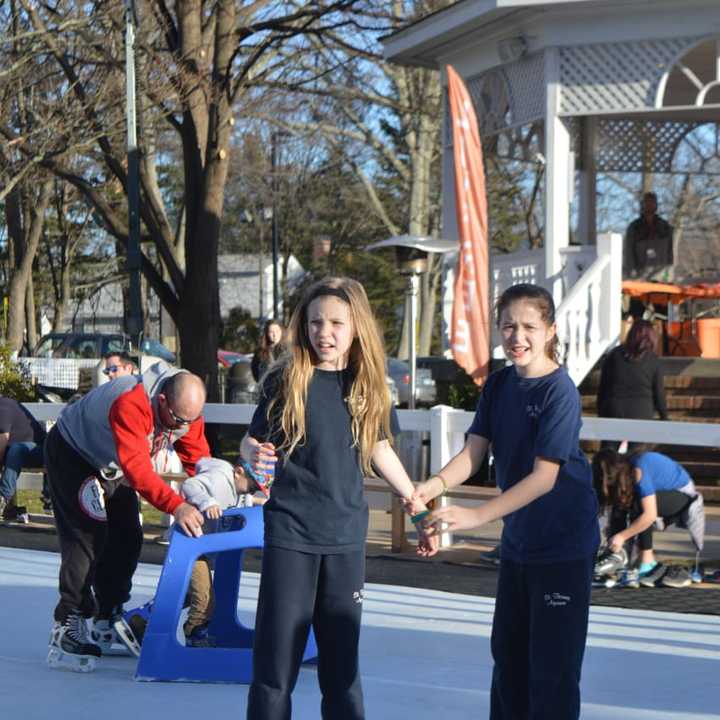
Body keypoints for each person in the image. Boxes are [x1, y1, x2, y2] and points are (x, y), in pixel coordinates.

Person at [241, 276, 435, 720]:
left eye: (334, 323)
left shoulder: (368, 388)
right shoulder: (285, 381)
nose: (323, 332)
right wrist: (254, 454)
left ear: (355, 328)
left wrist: (418, 506)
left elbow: (379, 448)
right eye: (314, 323)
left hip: (345, 539)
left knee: (342, 669)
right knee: (275, 665)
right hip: (291, 534)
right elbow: (251, 443)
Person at [413, 283, 599, 720]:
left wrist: (476, 515)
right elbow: (475, 452)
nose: (518, 336)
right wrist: (434, 485)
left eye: (529, 326)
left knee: (552, 671)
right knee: (509, 662)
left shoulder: (560, 392)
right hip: (519, 546)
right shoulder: (498, 385)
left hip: (563, 547)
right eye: (508, 326)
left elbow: (544, 478)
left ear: (550, 330)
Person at [45, 361, 210, 673]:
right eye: (176, 421)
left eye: (189, 421)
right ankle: (69, 618)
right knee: (88, 535)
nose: (180, 429)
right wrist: (177, 506)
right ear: (162, 400)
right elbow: (138, 470)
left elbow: (199, 460)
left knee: (128, 536)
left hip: (112, 462)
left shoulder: (186, 412)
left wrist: (213, 493)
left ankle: (108, 612)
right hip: (74, 452)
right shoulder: (131, 401)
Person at [592, 448, 704, 589]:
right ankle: (619, 558)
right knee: (621, 500)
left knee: (637, 502)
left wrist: (621, 536)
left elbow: (649, 515)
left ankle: (647, 562)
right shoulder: (626, 472)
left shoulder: (638, 470)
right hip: (659, 493)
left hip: (683, 498)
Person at [179, 457, 261, 647]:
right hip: (190, 546)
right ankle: (194, 636)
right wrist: (207, 502)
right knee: (204, 598)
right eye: (252, 484)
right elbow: (190, 485)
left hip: (199, 549)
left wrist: (258, 500)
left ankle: (142, 622)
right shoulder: (219, 477)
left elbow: (240, 499)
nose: (253, 489)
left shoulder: (236, 488)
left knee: (188, 596)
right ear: (239, 471)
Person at [596, 319, 667, 452]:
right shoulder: (653, 360)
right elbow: (659, 394)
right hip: (642, 413)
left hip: (614, 410)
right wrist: (664, 417)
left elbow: (603, 389)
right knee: (639, 456)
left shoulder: (614, 356)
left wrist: (601, 413)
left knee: (608, 454)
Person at [0, 396, 47, 523]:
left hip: (39, 449)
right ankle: (10, 507)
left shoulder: (3, 406)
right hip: (16, 453)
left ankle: (3, 497)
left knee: (16, 449)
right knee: (14, 451)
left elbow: (2, 440)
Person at [623, 191, 674, 281]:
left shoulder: (665, 227)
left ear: (656, 205)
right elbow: (629, 254)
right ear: (642, 205)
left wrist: (669, 276)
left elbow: (670, 254)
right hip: (641, 277)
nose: (650, 205)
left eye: (652, 202)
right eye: (647, 202)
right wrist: (631, 275)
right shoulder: (634, 227)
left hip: (661, 277)